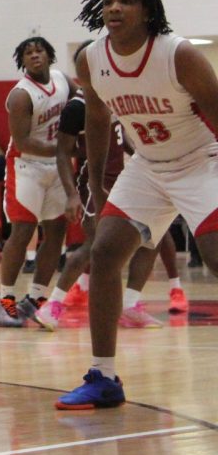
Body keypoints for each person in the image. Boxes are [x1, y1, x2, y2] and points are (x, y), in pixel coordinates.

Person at [56, 0, 218, 410]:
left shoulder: (178, 53)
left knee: (216, 254)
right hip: (147, 165)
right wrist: (93, 180)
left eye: (125, 1)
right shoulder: (92, 59)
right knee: (105, 252)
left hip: (203, 160)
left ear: (146, 9)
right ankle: (103, 377)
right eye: (108, 1)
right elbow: (95, 116)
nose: (114, 8)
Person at [33, 60, 162, 331]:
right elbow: (61, 153)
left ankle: (129, 305)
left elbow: (118, 136)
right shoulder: (76, 107)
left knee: (153, 238)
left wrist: (138, 152)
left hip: (126, 179)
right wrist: (71, 195)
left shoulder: (114, 94)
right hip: (94, 182)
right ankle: (53, 305)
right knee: (96, 244)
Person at [0, 36, 74, 327]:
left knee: (56, 231)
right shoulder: (21, 95)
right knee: (23, 231)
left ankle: (37, 296)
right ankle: (5, 298)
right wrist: (64, 149)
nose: (34, 55)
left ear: (50, 55)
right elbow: (24, 141)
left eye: (39, 50)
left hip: (57, 165)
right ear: (22, 61)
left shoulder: (63, 81)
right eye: (28, 53)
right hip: (26, 165)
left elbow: (81, 106)